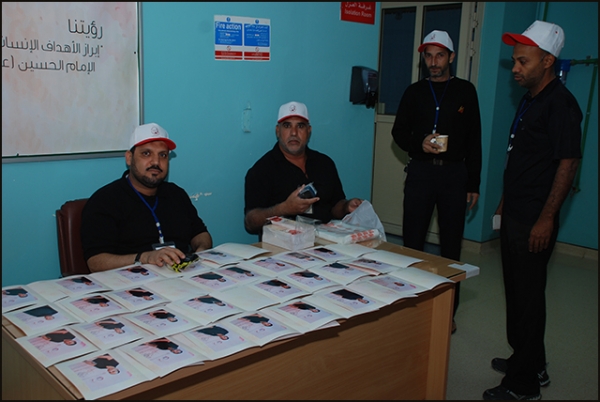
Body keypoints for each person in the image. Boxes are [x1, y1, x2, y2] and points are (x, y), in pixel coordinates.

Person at [483, 21, 582, 401]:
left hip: (533, 219)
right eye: (514, 60)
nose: (515, 68)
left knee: (526, 299)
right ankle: (531, 362)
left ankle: (523, 386)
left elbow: (568, 164)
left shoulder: (561, 105)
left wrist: (546, 218)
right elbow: (522, 156)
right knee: (519, 293)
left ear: (547, 61)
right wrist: (505, 200)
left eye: (523, 61)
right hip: (516, 210)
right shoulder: (532, 98)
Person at [391, 30, 482, 334]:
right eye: (428, 56)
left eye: (439, 55)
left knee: (451, 246)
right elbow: (398, 133)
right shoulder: (414, 92)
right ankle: (411, 305)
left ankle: (447, 312)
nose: (433, 62)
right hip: (421, 172)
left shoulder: (465, 91)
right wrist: (419, 142)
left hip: (454, 175)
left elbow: (475, 139)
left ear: (451, 57)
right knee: (412, 244)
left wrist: (473, 183)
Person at [81, 122, 213, 272]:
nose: (156, 162)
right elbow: (95, 262)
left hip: (182, 276)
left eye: (162, 155)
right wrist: (144, 258)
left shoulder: (176, 194)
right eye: (146, 153)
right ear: (129, 158)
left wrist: (200, 252)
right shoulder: (105, 201)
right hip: (133, 280)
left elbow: (201, 234)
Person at [244, 101, 363, 235]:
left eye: (300, 126)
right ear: (278, 131)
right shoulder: (261, 170)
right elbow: (250, 223)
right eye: (287, 126)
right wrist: (284, 209)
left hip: (327, 240)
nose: (294, 133)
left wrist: (347, 206)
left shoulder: (325, 163)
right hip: (283, 243)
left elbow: (335, 206)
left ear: (308, 131)